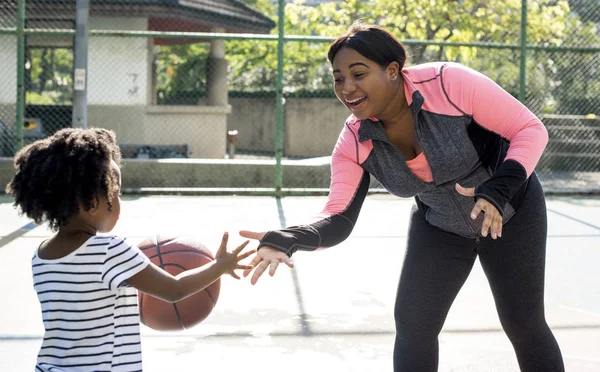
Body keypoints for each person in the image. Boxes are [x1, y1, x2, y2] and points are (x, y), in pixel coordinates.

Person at [240, 22, 565, 371]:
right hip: (439, 227)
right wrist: (288, 238)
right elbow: (338, 217)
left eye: (358, 74)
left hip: (509, 214)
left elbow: (529, 129)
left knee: (523, 322)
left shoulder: (448, 83)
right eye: (338, 78)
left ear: (393, 71)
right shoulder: (354, 142)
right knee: (414, 325)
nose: (347, 87)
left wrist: (498, 190)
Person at [5, 127, 254, 371]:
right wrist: (220, 266)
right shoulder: (110, 251)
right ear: (93, 203)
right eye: (117, 193)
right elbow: (174, 290)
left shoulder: (41, 256)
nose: (120, 201)